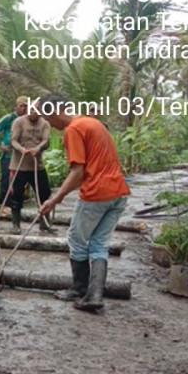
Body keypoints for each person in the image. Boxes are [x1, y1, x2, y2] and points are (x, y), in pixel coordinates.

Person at [38, 94, 131, 312]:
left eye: (47, 118)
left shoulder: (73, 129)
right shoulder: (92, 122)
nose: (49, 124)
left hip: (96, 193)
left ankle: (80, 289)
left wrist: (54, 199)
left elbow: (77, 172)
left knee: (76, 239)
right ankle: (94, 296)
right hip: (118, 192)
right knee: (98, 244)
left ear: (54, 111)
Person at [8, 107, 54, 234]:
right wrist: (21, 149)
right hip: (18, 166)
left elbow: (46, 141)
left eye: (37, 110)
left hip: (36, 166)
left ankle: (44, 223)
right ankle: (15, 225)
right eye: (32, 110)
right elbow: (13, 140)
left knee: (44, 194)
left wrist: (38, 148)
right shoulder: (19, 122)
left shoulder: (45, 123)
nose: (34, 113)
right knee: (16, 195)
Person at [0, 96, 28, 211]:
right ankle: (4, 204)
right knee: (6, 179)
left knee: (19, 180)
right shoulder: (9, 118)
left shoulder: (28, 119)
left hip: (22, 155)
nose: (24, 109)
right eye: (21, 106)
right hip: (8, 154)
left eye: (26, 106)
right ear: (16, 107)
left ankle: (16, 204)